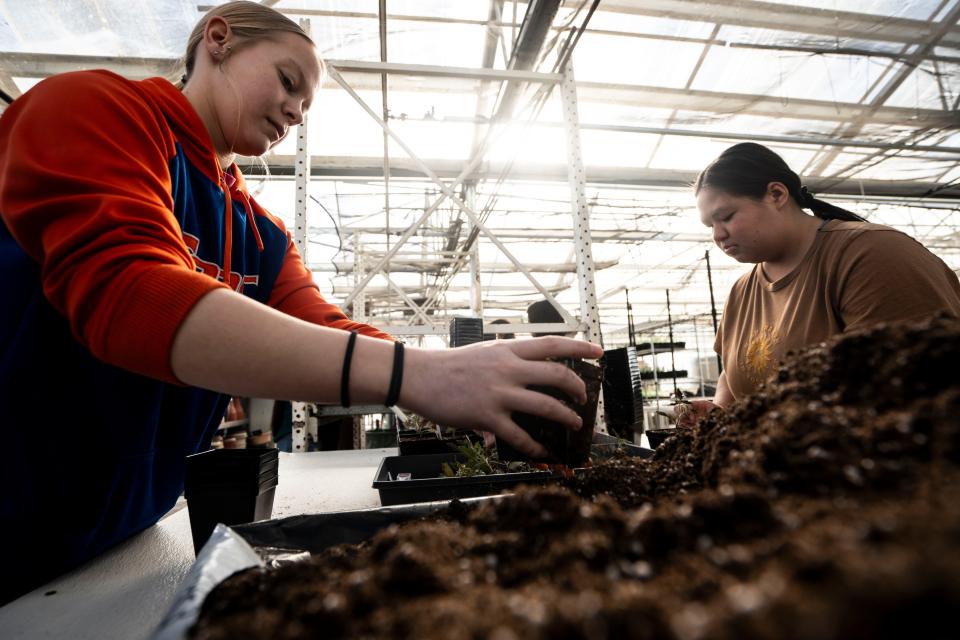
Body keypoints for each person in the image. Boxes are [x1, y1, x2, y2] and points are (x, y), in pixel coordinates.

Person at [0, 1, 601, 603]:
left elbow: (327, 328)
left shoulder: (258, 232)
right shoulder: (95, 109)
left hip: (120, 535)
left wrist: (470, 378)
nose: (295, 111)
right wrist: (416, 374)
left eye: (307, 106)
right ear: (218, 39)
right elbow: (129, 291)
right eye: (289, 82)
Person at [679, 142, 960, 424]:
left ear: (776, 194)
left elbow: (918, 386)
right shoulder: (742, 292)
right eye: (710, 227)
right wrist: (719, 414)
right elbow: (733, 374)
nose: (718, 235)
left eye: (725, 217)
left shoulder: (869, 254)